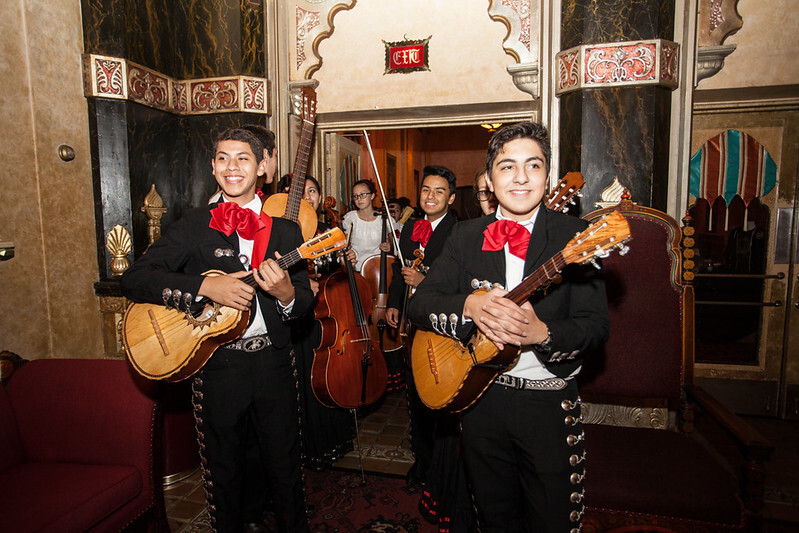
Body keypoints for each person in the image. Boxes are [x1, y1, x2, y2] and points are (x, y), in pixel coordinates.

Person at [408, 122, 609, 532]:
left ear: (547, 176)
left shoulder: (577, 235)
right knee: (494, 516)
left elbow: (596, 327)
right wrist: (470, 304)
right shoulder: (466, 235)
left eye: (532, 166)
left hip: (547, 402)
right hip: (482, 398)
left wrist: (543, 334)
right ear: (489, 179)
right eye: (507, 167)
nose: (520, 177)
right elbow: (422, 303)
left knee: (551, 520)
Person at [121, 127, 312, 533]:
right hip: (216, 365)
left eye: (243, 158)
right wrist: (205, 286)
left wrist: (285, 294)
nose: (232, 167)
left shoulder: (287, 231)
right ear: (212, 167)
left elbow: (304, 306)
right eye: (223, 158)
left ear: (262, 166)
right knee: (223, 472)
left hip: (274, 363)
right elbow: (136, 278)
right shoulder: (193, 225)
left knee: (285, 468)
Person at [385, 165, 458, 491]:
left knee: (438, 396)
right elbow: (401, 270)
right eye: (426, 190)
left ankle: (442, 466)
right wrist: (392, 302)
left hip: (441, 330)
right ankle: (422, 461)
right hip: (411, 324)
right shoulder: (409, 226)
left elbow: (460, 287)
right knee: (414, 397)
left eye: (439, 191)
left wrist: (425, 282)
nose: (431, 196)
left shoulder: (459, 232)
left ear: (451, 198)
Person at [290, 175, 357, 470]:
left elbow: (341, 280)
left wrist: (346, 260)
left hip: (325, 317)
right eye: (300, 193)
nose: (308, 197)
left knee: (327, 377)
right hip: (293, 320)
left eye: (313, 191)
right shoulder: (279, 233)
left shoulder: (329, 231)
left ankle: (330, 441)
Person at [342, 179, 382, 271]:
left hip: (378, 270)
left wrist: (388, 247)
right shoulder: (350, 218)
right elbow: (345, 245)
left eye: (363, 195)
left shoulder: (383, 219)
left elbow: (392, 248)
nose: (359, 199)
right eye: (355, 196)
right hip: (355, 269)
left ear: (372, 196)